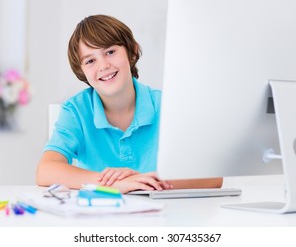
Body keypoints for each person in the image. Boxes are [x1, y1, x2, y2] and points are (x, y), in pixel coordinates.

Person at [36, 15, 222, 193]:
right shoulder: (76, 110)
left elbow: (213, 176)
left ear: (132, 52)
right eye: (90, 60)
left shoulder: (167, 106)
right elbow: (45, 171)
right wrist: (113, 183)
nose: (103, 66)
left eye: (110, 52)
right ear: (82, 71)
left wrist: (142, 181)